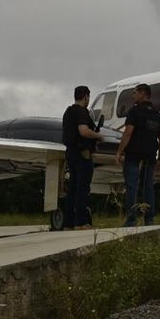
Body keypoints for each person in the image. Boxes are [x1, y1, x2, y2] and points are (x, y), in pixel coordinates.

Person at [115, 83, 160, 226]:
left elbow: (128, 133)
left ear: (143, 93)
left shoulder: (134, 112)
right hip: (150, 156)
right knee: (148, 187)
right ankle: (149, 219)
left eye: (135, 92)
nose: (133, 95)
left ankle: (131, 219)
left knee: (132, 186)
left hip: (134, 155)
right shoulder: (157, 115)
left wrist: (119, 152)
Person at [61, 85, 102, 229]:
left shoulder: (68, 112)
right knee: (82, 189)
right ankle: (81, 222)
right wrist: (98, 136)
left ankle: (69, 223)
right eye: (88, 97)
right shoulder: (82, 112)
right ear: (86, 96)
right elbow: (83, 131)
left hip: (70, 154)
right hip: (83, 154)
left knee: (72, 189)